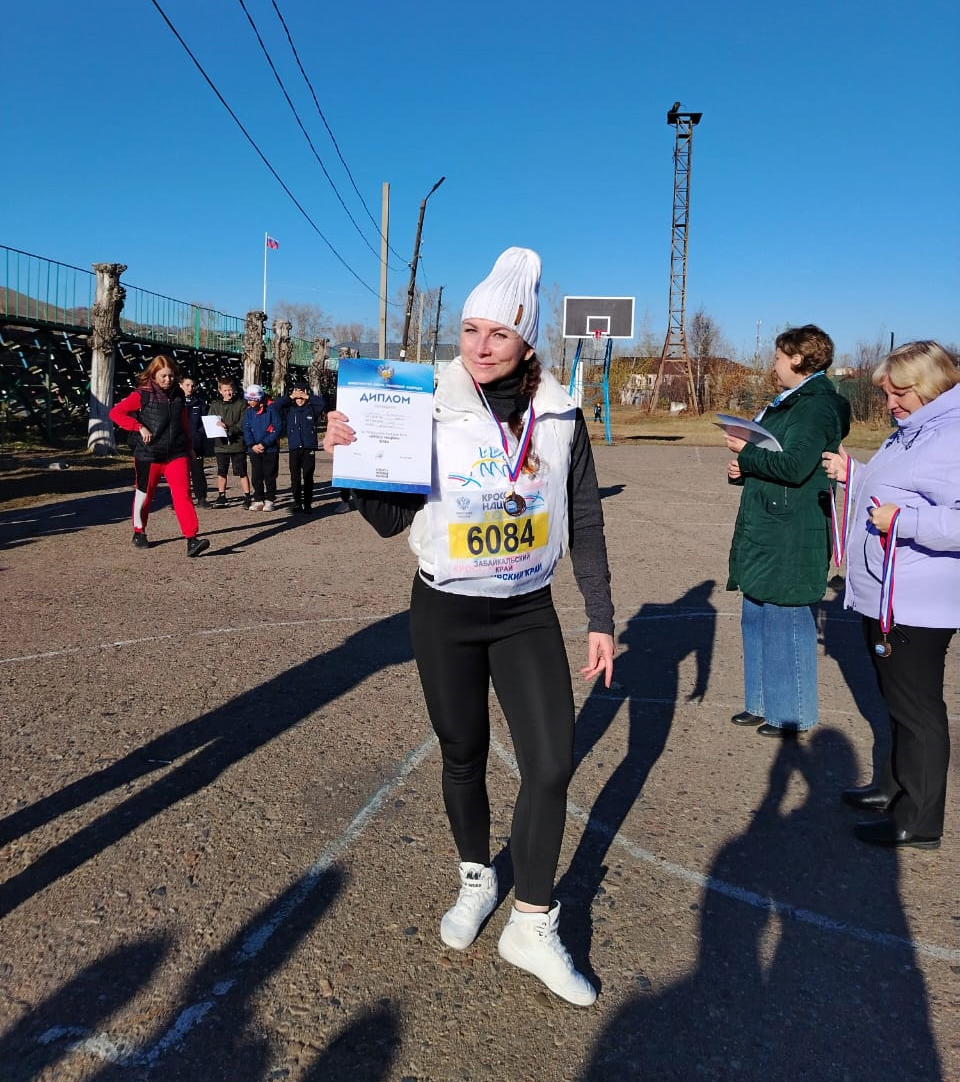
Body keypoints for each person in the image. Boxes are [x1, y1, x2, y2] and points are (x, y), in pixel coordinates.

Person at [324, 247, 615, 1006]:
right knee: (464, 751)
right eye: (470, 330)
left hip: (526, 611)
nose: (480, 347)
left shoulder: (560, 413)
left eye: (499, 333)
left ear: (527, 340)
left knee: (550, 764)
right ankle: (477, 879)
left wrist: (601, 617)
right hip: (445, 609)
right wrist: (353, 463)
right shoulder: (427, 400)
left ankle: (532, 924)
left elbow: (585, 518)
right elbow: (390, 520)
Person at [822, 341, 960, 849]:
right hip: (888, 594)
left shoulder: (951, 436)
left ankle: (919, 821)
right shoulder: (914, 431)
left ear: (930, 385)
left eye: (899, 393)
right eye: (886, 393)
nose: (890, 404)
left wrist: (907, 521)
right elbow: (897, 489)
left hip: (916, 602)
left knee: (917, 710)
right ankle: (893, 788)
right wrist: (854, 475)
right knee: (898, 703)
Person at [725, 324, 850, 737]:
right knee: (757, 615)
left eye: (779, 357)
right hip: (767, 523)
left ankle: (791, 713)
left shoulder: (815, 407)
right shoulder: (787, 403)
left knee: (787, 619)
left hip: (793, 528)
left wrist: (747, 454)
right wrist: (742, 469)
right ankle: (761, 703)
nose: (774, 365)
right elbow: (773, 458)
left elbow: (795, 466)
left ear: (798, 359)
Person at [109, 355, 210, 557]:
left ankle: (191, 538)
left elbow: (183, 423)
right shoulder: (142, 394)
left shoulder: (178, 395)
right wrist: (138, 427)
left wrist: (189, 447)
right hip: (149, 454)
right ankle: (139, 531)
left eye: (171, 376)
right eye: (163, 376)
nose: (168, 380)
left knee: (183, 494)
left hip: (176, 453)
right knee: (144, 494)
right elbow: (116, 413)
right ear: (153, 374)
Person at [274, 379, 325, 513]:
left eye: (302, 395)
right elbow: (275, 406)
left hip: (308, 447)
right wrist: (291, 396)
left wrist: (307, 396)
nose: (299, 399)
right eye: (297, 396)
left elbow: (322, 403)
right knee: (295, 476)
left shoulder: (311, 408)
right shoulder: (289, 409)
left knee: (308, 476)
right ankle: (297, 503)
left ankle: (307, 504)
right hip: (294, 447)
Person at [208, 377, 252, 509]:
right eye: (225, 390)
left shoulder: (241, 404)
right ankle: (221, 496)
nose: (228, 393)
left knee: (242, 472)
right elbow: (210, 421)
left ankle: (247, 496)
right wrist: (216, 427)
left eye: (230, 390)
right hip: (221, 445)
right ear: (220, 391)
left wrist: (229, 429)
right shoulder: (215, 405)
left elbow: (243, 423)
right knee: (222, 471)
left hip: (237, 444)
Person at [242, 384, 282, 511]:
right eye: (248, 399)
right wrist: (252, 445)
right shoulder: (249, 412)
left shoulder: (271, 409)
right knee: (256, 476)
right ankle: (258, 499)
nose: (249, 402)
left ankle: (270, 499)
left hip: (270, 449)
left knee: (270, 475)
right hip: (254, 449)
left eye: (252, 400)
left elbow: (277, 428)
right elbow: (246, 429)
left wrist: (264, 444)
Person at [179, 375, 209, 506]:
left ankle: (201, 498)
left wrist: (199, 434)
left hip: (196, 443)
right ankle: (181, 499)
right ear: (180, 385)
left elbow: (205, 421)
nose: (190, 388)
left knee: (198, 471)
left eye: (192, 385)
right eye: (187, 385)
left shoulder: (199, 402)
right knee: (181, 474)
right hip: (179, 443)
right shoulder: (175, 402)